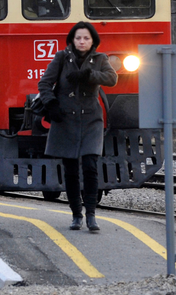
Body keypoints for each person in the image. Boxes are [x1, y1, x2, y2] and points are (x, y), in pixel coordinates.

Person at [38, 21, 117, 232]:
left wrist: (89, 75)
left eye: (86, 38)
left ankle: (91, 215)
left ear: (93, 41)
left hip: (91, 120)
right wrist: (51, 104)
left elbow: (112, 79)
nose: (82, 41)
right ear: (72, 40)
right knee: (71, 169)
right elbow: (44, 83)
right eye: (78, 38)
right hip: (65, 119)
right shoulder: (61, 57)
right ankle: (76, 215)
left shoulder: (100, 59)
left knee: (90, 166)